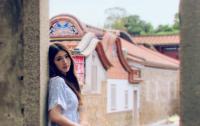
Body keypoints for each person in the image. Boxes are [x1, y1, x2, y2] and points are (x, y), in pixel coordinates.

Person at [48, 43, 88, 126]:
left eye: (66, 56)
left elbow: (81, 106)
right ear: (53, 63)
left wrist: (83, 121)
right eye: (59, 59)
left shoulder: (70, 82)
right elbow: (54, 115)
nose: (65, 61)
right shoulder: (57, 81)